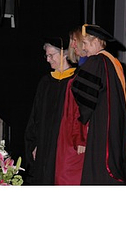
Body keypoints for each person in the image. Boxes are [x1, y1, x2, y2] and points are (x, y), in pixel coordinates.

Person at [71, 24, 126, 185]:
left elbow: (81, 89)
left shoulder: (97, 61)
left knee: (100, 166)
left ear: (96, 42)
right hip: (115, 125)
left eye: (85, 44)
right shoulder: (115, 63)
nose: (84, 49)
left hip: (102, 124)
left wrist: (82, 116)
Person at [24, 35, 76, 185]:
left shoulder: (75, 81)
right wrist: (34, 144)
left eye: (51, 55)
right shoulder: (46, 82)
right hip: (44, 145)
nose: (47, 59)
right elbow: (35, 116)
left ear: (64, 53)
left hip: (65, 147)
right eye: (46, 55)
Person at [54, 26, 88, 185]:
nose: (73, 45)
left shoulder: (90, 68)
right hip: (67, 134)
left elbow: (83, 108)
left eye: (76, 41)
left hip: (75, 138)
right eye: (72, 41)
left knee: (69, 178)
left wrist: (81, 138)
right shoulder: (81, 69)